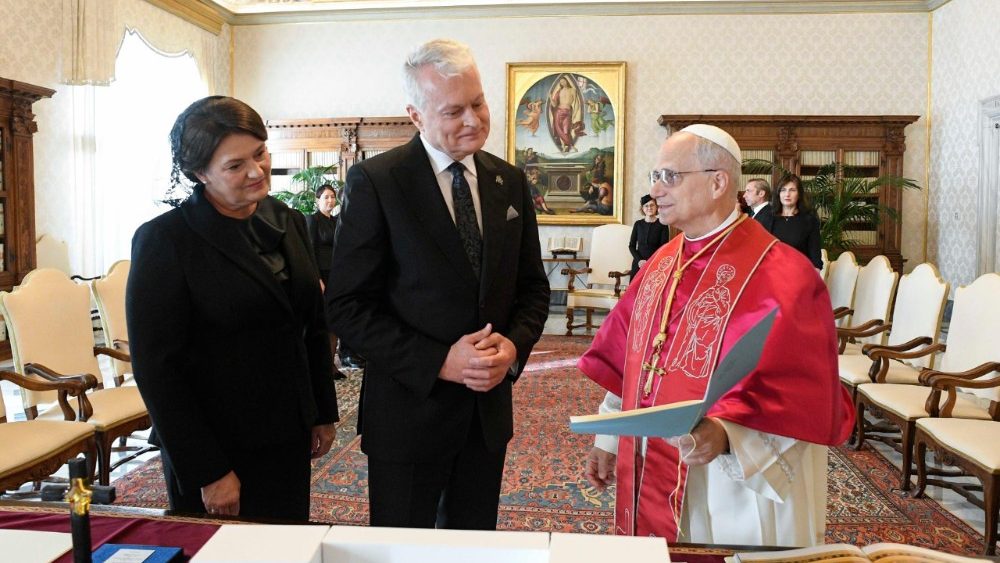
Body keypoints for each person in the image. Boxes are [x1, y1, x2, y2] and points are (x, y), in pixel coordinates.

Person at [578, 124, 854, 545]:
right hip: (656, 466)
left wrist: (728, 434)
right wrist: (609, 441)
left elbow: (804, 391)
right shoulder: (660, 264)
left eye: (669, 176)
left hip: (734, 484)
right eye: (654, 177)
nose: (656, 190)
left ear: (718, 182)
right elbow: (630, 363)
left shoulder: (782, 273)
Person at [325, 39, 550, 530]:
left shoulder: (508, 182)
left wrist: (511, 348)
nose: (473, 120)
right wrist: (440, 362)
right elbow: (346, 306)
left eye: (478, 103)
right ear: (416, 114)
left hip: (485, 419)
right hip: (408, 415)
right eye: (454, 111)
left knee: (473, 549)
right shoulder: (376, 182)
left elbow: (533, 290)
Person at [127, 96, 340, 521]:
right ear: (199, 172)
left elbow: (312, 325)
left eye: (260, 153)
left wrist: (321, 410)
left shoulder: (288, 220)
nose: (257, 171)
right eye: (235, 165)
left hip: (286, 431)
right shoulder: (166, 241)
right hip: (218, 442)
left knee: (284, 548)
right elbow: (157, 369)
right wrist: (208, 469)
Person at [305, 184, 347, 380]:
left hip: (336, 275)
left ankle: (330, 365)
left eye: (332, 197)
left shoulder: (336, 221)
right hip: (321, 275)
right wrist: (317, 278)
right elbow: (309, 251)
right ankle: (322, 366)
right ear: (318, 200)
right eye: (326, 197)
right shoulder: (312, 220)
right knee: (324, 323)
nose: (330, 201)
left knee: (334, 322)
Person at [770, 174, 823, 269]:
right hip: (772, 274)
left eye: (792, 190)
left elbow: (816, 258)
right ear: (778, 194)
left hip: (799, 274)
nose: (787, 194)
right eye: (783, 190)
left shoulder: (809, 220)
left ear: (799, 194)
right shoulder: (769, 218)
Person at [628, 194, 671, 278]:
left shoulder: (663, 224)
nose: (649, 208)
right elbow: (631, 246)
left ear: (656, 207)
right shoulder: (638, 224)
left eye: (652, 205)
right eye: (646, 206)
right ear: (642, 208)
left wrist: (650, 262)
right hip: (638, 264)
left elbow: (663, 248)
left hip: (655, 264)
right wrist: (639, 260)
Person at [549, 75, 585, 153]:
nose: (562, 83)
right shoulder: (559, 92)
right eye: (561, 82)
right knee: (558, 129)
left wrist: (574, 114)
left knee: (566, 130)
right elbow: (554, 105)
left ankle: (569, 145)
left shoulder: (573, 90)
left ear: (566, 81)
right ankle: (568, 146)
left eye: (563, 81)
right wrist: (550, 98)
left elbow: (576, 103)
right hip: (558, 111)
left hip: (568, 112)